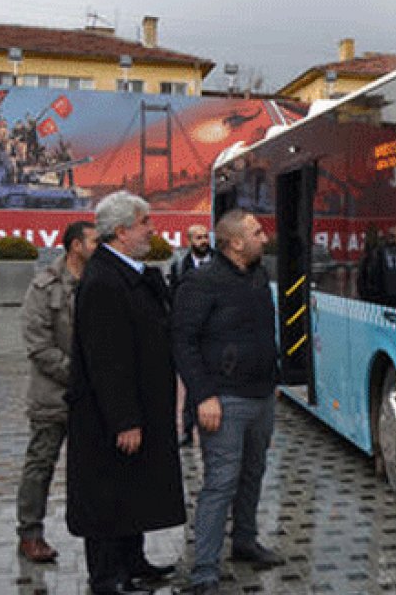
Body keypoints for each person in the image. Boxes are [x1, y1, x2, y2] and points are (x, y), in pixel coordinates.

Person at [66, 191, 184, 594]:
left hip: (142, 407)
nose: (152, 229)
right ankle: (107, 577)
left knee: (133, 489)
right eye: (144, 222)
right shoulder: (102, 281)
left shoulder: (128, 273)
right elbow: (107, 362)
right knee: (107, 496)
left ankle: (133, 561)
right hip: (112, 419)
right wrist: (125, 420)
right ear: (120, 231)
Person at [173, 210, 285, 595]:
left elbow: (265, 331)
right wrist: (203, 395)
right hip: (224, 400)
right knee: (221, 482)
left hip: (262, 395)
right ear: (235, 243)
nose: (264, 238)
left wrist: (275, 379)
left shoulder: (258, 275)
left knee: (254, 472)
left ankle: (245, 541)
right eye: (256, 233)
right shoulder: (201, 282)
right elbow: (183, 343)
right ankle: (204, 571)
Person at [16, 220, 97, 563]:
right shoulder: (44, 286)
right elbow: (38, 346)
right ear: (76, 246)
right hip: (54, 396)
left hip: (92, 398)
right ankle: (30, 534)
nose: (100, 247)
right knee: (40, 465)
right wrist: (78, 375)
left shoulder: (98, 283)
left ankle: (101, 535)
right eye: (94, 241)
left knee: (96, 469)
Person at [169, 223, 216, 447]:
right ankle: (188, 430)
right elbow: (173, 300)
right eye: (198, 238)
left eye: (205, 237)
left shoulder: (220, 264)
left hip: (215, 333)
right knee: (191, 381)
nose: (203, 241)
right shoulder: (180, 267)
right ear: (190, 241)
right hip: (191, 334)